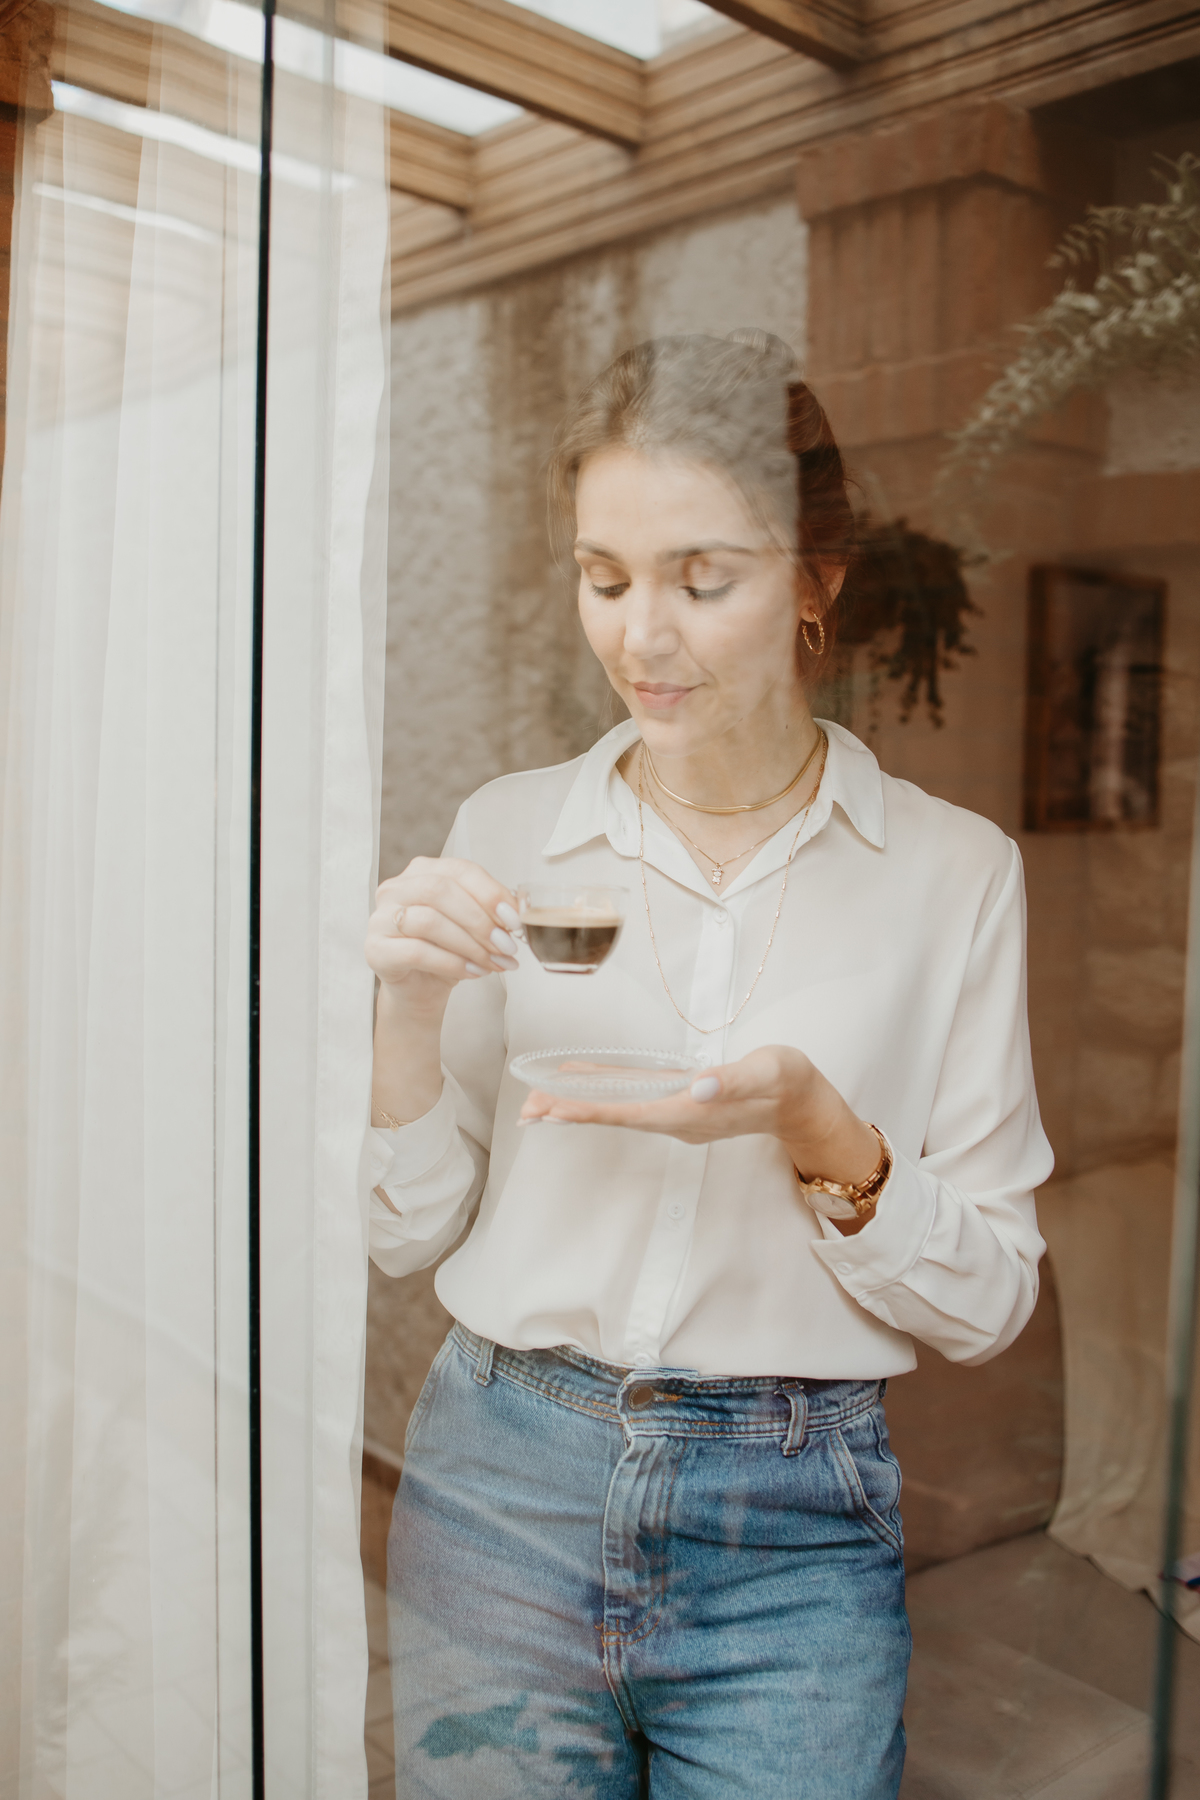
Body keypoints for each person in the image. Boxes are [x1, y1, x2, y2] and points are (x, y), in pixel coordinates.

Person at [364, 331, 1053, 1799]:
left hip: (792, 1530)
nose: (641, 638)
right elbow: (405, 1229)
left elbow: (992, 1297)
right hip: (502, 1478)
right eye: (605, 578)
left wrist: (818, 1126)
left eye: (702, 579)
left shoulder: (953, 874)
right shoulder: (508, 830)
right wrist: (405, 1010)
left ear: (817, 577)